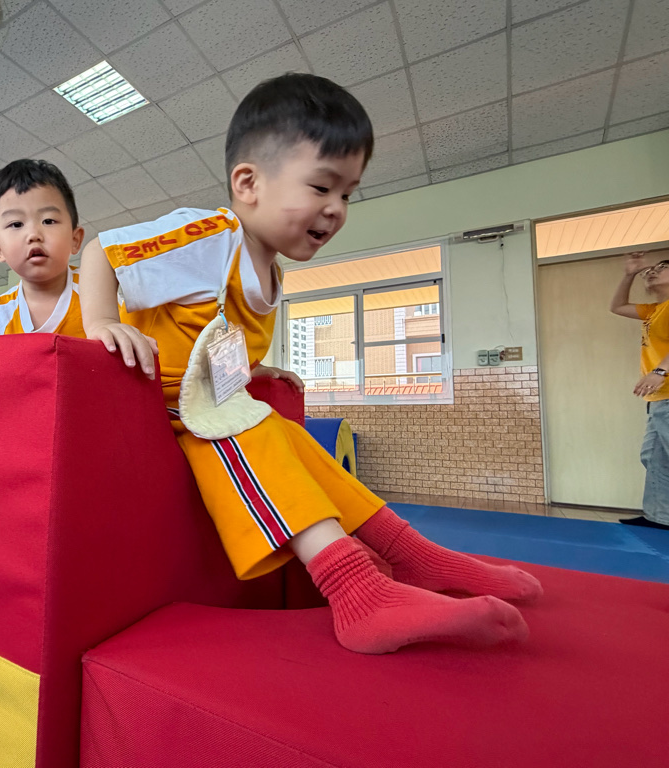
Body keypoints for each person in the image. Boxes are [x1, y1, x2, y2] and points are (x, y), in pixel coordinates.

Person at [80, 73, 540, 655]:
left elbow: (202, 339)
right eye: (322, 186)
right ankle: (356, 591)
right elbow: (102, 252)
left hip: (205, 404)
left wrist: (254, 370)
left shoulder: (270, 269)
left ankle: (414, 555)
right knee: (250, 429)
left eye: (347, 194)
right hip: (161, 410)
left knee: (291, 436)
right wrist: (100, 322)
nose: (336, 209)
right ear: (248, 183)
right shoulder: (211, 236)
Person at [0, 159, 85, 338]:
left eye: (48, 221)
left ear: (75, 239)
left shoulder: (101, 298)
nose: (33, 234)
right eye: (16, 224)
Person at [609, 251, 669, 531]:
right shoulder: (654, 310)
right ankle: (659, 518)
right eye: (652, 268)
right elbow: (617, 306)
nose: (653, 270)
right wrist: (629, 275)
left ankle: (660, 516)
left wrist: (660, 371)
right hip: (661, 399)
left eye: (663, 267)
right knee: (655, 458)